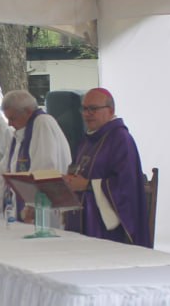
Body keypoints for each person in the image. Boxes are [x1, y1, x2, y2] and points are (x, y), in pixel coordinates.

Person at [63, 88, 150, 246]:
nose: (87, 114)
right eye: (84, 109)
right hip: (82, 220)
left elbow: (126, 186)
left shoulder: (121, 139)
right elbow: (77, 169)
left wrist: (87, 185)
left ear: (110, 110)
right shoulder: (88, 140)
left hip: (106, 230)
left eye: (93, 109)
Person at [1, 89, 71, 219]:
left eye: (12, 118)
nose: (10, 124)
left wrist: (32, 204)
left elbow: (44, 167)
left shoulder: (42, 123)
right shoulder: (21, 131)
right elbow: (5, 168)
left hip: (45, 206)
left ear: (28, 111)